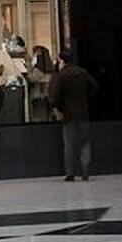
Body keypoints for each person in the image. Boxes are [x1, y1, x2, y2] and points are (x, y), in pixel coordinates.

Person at [49, 48, 99, 181]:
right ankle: (85, 170)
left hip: (67, 114)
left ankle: (70, 172)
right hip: (83, 113)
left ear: (61, 61)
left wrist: (57, 108)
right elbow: (94, 86)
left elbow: (54, 95)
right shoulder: (82, 73)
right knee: (85, 142)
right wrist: (85, 98)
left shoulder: (60, 75)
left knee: (69, 144)